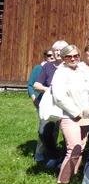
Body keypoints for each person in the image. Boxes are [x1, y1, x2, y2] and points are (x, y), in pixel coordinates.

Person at [51, 45, 89, 184]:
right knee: (73, 148)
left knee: (80, 149)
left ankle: (72, 178)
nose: (73, 59)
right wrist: (76, 112)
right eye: (69, 56)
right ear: (63, 58)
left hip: (86, 117)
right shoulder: (61, 73)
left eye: (76, 56)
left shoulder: (81, 71)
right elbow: (60, 97)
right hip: (70, 116)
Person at [34, 39, 69, 167]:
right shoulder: (47, 67)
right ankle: (54, 155)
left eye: (61, 50)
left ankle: (65, 158)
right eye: (55, 50)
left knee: (67, 133)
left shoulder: (70, 65)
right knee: (44, 131)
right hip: (51, 104)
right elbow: (37, 85)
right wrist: (48, 89)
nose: (58, 52)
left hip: (67, 104)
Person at [28, 47, 55, 162]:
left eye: (54, 55)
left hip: (56, 103)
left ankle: (51, 154)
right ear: (45, 56)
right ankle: (39, 152)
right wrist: (35, 100)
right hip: (41, 102)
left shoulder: (58, 69)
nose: (52, 57)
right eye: (49, 55)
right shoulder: (39, 68)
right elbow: (31, 85)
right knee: (43, 128)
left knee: (54, 129)